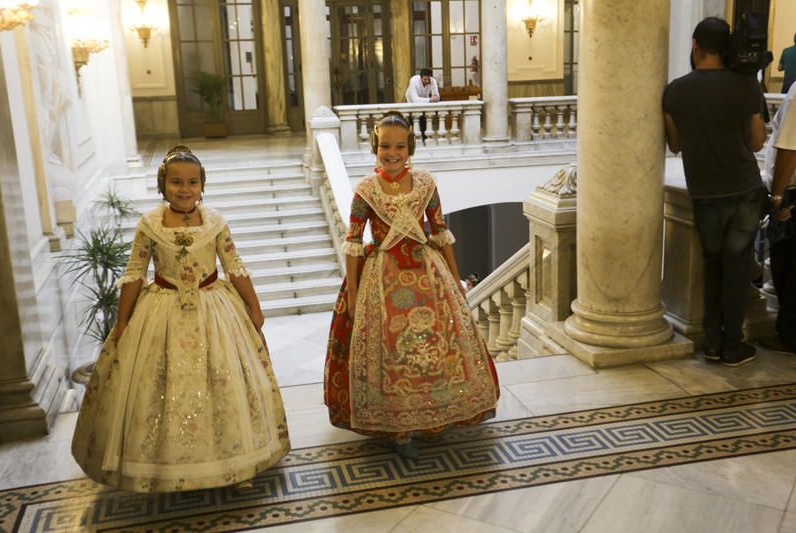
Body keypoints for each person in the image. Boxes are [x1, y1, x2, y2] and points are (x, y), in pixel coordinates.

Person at [71, 146, 290, 492]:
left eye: (192, 182)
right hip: (161, 312)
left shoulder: (216, 222)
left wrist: (255, 308)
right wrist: (123, 322)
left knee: (224, 384)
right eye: (176, 182)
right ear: (163, 185)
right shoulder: (149, 224)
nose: (184, 189)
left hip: (214, 311)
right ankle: (160, 470)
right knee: (158, 389)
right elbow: (134, 273)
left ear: (203, 185)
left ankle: (235, 463)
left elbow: (234, 266)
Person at [324, 111, 499, 459]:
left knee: (435, 343)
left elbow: (439, 232)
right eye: (385, 145)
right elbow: (354, 244)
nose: (392, 153)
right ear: (375, 146)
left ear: (410, 147)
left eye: (400, 146)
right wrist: (356, 297)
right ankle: (398, 425)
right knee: (393, 347)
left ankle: (438, 410)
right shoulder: (365, 191)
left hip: (427, 271)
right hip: (382, 275)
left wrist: (454, 276)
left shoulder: (425, 184)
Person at [663, 17, 767, 367]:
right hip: (743, 190)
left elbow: (675, 144)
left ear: (695, 45)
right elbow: (757, 141)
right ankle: (732, 346)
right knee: (737, 267)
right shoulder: (746, 85)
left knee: (713, 266)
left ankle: (711, 343)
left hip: (705, 192)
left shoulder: (675, 90)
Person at [764, 82, 796, 352]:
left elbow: (789, 148)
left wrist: (777, 196)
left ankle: (789, 334)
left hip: (793, 194)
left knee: (787, 264)